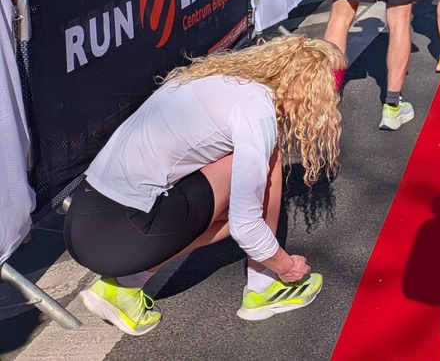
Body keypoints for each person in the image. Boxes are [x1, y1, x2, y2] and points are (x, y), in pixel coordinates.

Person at [63, 35, 345, 335]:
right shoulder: (257, 108)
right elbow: (245, 224)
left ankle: (124, 286)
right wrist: (285, 266)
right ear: (306, 91)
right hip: (119, 235)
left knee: (237, 192)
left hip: (82, 223)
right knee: (266, 164)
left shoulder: (222, 78)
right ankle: (265, 286)